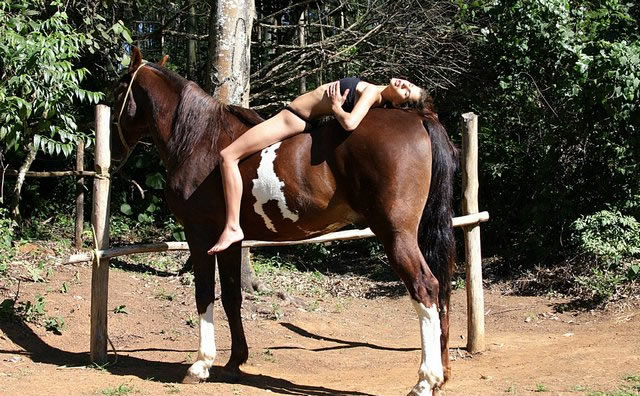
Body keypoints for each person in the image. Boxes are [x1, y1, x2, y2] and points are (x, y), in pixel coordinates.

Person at [207, 77, 428, 254]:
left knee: (228, 156)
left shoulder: (372, 93)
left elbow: (350, 123)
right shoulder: (375, 94)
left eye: (407, 92)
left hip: (291, 118)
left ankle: (233, 226)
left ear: (398, 103)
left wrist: (336, 107)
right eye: (409, 84)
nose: (405, 85)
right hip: (299, 119)